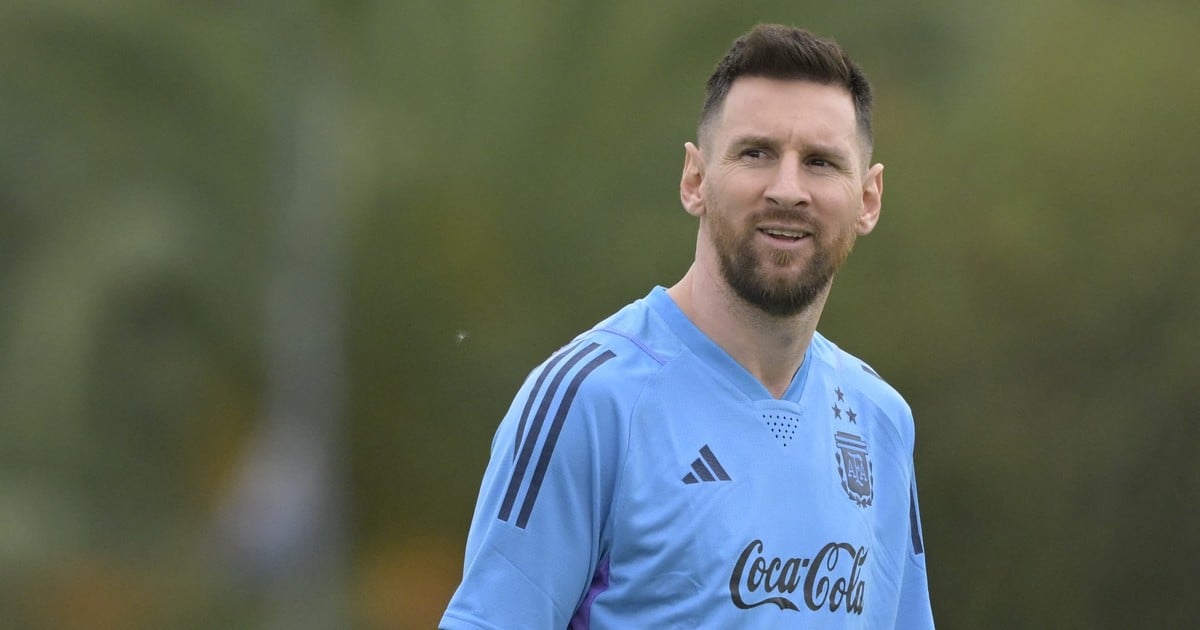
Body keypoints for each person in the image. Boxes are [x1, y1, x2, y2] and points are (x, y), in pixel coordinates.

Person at [440, 23, 934, 629]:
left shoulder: (880, 420)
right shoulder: (590, 400)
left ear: (868, 198)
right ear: (695, 180)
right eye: (755, 153)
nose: (787, 190)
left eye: (820, 162)